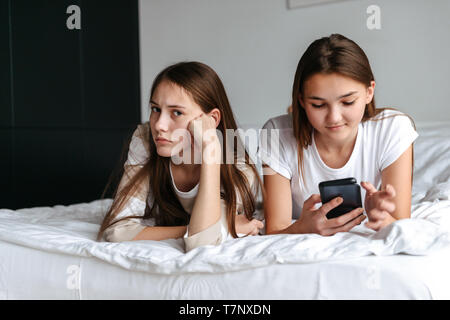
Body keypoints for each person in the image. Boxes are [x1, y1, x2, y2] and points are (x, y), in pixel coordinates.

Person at [259, 34, 418, 236]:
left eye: (348, 102)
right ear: (301, 100)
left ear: (369, 92)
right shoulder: (276, 134)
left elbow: (401, 224)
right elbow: (276, 230)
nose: (334, 118)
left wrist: (382, 217)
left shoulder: (393, 128)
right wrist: (303, 228)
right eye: (318, 105)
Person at [97, 61, 264, 252]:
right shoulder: (145, 139)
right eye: (155, 109)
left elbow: (201, 243)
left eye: (177, 112)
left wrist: (210, 150)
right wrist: (206, 228)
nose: (159, 124)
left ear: (212, 120)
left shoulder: (237, 167)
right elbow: (117, 231)